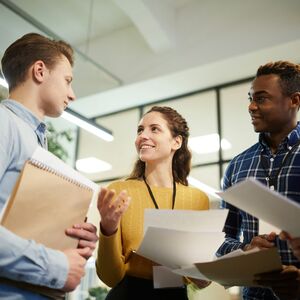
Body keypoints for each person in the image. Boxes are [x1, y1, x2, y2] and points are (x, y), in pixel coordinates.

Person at [0, 33, 98, 299]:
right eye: (68, 81)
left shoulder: (37, 142)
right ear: (40, 71)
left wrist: (72, 236)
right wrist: (56, 265)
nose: (72, 95)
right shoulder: (4, 123)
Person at [96, 106, 210, 300]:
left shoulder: (198, 199)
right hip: (128, 294)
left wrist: (202, 274)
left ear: (176, 141)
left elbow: (200, 280)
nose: (143, 136)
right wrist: (108, 229)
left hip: (175, 294)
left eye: (154, 129)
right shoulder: (120, 191)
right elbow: (110, 277)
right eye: (140, 130)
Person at [217, 61, 300, 300]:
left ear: (294, 100)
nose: (251, 106)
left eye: (261, 99)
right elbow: (223, 238)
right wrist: (244, 249)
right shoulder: (238, 165)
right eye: (250, 98)